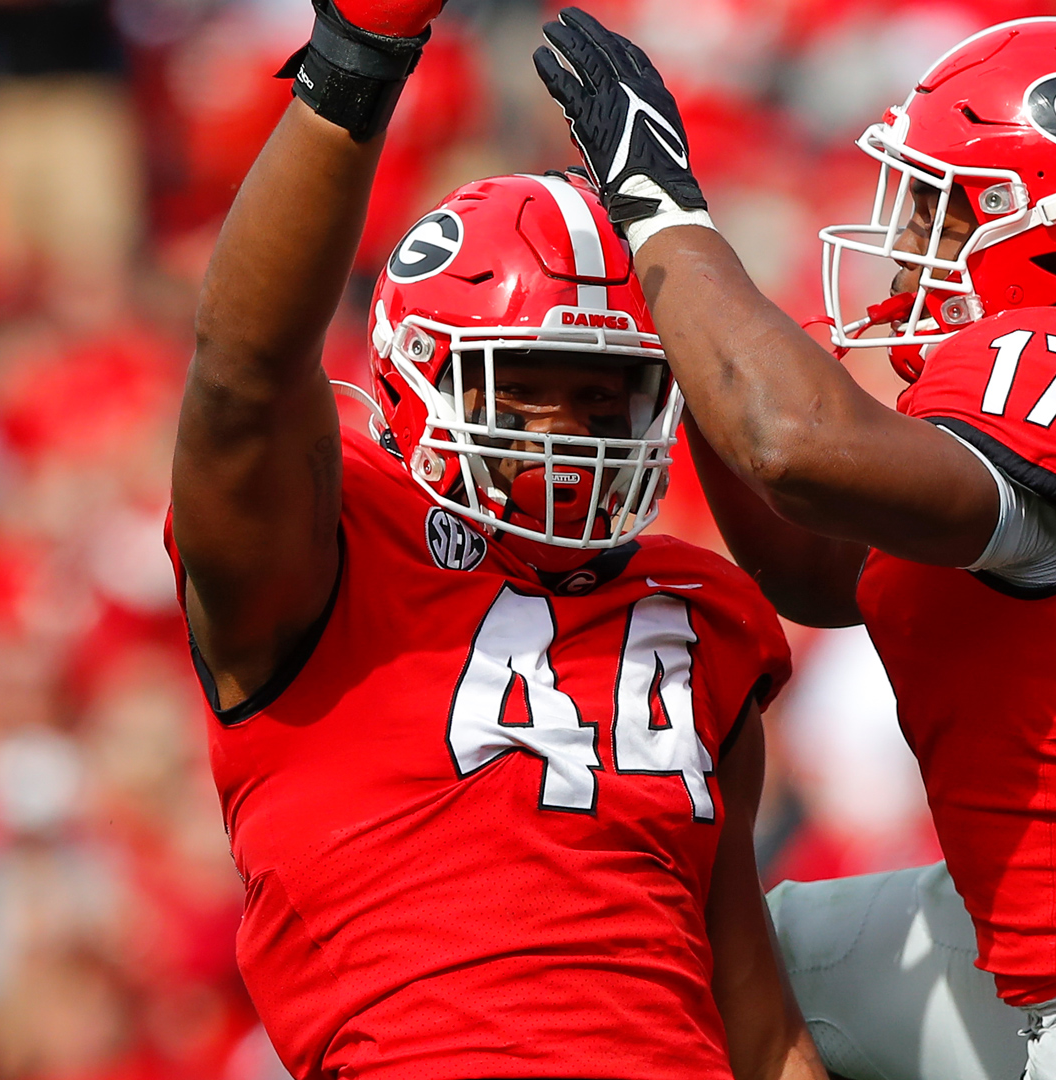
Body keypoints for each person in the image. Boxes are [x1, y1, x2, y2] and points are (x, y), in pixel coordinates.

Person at [533, 10, 1056, 1080]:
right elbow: (819, 566)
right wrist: (680, 314)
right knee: (696, 966)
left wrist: (664, 216)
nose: (908, 247)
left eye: (945, 211)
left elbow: (794, 447)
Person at [167, 3, 825, 1078]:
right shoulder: (330, 551)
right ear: (415, 370)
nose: (567, 427)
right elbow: (242, 376)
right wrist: (352, 65)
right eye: (521, 387)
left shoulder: (700, 616)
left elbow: (754, 1017)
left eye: (603, 393)